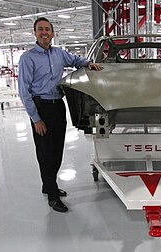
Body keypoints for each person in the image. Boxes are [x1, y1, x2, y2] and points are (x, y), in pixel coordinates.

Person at [18, 17, 102, 213]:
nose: (44, 32)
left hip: (57, 107)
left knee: (56, 151)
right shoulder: (27, 58)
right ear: (35, 33)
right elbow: (24, 92)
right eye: (40, 29)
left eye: (47, 29)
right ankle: (53, 196)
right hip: (41, 108)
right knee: (45, 153)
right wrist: (36, 119)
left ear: (53, 33)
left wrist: (89, 64)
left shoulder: (59, 54)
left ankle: (48, 185)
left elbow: (75, 61)